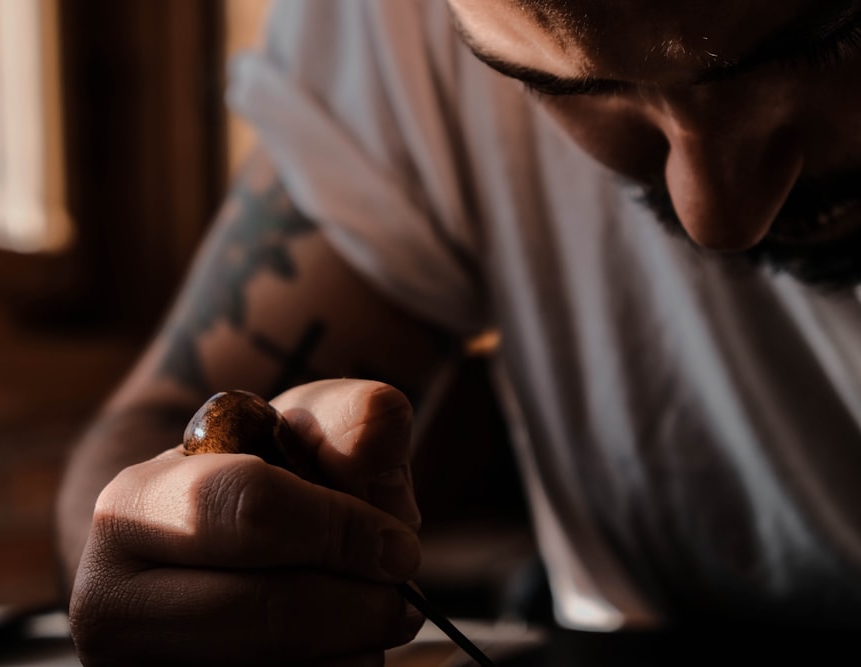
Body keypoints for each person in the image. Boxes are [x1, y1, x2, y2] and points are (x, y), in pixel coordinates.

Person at [55, 0, 861, 664]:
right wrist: (198, 561)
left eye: (830, 39)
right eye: (557, 84)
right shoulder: (398, 29)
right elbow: (155, 446)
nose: (716, 215)